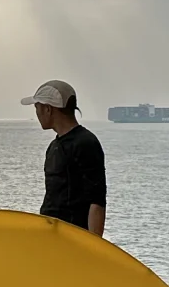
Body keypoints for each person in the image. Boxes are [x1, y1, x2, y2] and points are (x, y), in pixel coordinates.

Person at [21, 80, 106, 236]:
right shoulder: (54, 146)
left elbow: (97, 201)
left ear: (48, 109)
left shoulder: (85, 143)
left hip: (72, 237)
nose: (37, 113)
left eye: (37, 107)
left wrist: (93, 245)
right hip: (51, 235)